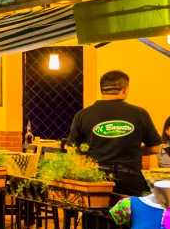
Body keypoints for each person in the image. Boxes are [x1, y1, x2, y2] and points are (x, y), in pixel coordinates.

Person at [68, 69, 161, 197]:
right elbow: (155, 148)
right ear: (125, 89)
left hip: (96, 179)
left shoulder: (82, 115)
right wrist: (132, 148)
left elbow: (72, 149)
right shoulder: (140, 113)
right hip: (129, 180)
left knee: (97, 209)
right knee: (132, 210)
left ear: (101, 89)